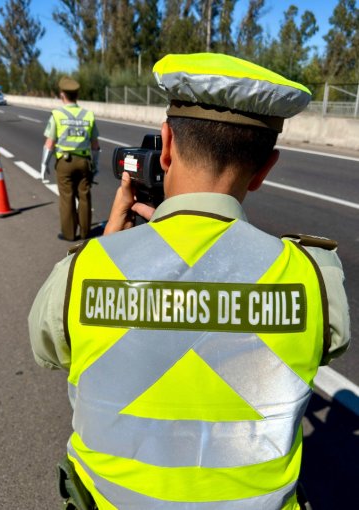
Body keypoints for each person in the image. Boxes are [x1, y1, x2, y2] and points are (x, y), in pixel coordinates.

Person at [28, 53, 350, 509]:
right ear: (264, 169)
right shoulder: (314, 276)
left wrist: (107, 249)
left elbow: (48, 349)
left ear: (165, 146)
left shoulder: (84, 271)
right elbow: (329, 342)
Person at [40, 76, 101, 241]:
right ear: (77, 95)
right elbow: (95, 145)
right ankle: (85, 232)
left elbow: (50, 143)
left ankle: (69, 233)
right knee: (84, 196)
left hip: (65, 163)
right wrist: (95, 165)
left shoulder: (57, 115)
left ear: (62, 95)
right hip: (84, 162)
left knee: (66, 198)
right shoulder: (88, 115)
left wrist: (44, 164)